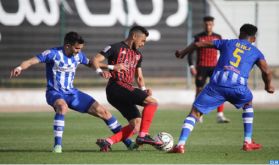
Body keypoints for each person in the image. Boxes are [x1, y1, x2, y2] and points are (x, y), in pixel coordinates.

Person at [10, 31, 136, 153]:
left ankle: (128, 143)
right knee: (62, 107)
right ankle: (57, 146)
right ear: (67, 46)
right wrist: (19, 67)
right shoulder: (53, 53)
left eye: (80, 48)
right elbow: (31, 61)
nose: (79, 51)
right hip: (54, 92)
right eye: (76, 48)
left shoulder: (78, 56)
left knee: (103, 112)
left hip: (72, 93)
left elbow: (91, 63)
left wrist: (110, 68)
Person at [171, 24, 274, 153]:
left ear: (239, 34)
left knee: (195, 113)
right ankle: (247, 141)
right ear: (253, 39)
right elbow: (267, 71)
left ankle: (180, 145)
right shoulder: (256, 52)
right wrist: (268, 85)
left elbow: (198, 44)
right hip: (238, 88)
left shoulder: (227, 43)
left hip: (216, 86)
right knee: (248, 103)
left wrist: (182, 53)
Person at [92, 25, 162, 152]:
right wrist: (111, 67)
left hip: (123, 90)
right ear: (134, 36)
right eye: (142, 41)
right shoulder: (114, 47)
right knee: (152, 102)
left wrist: (144, 89)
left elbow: (139, 77)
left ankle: (108, 142)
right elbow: (95, 60)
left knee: (136, 125)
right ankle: (143, 136)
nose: (143, 44)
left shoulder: (138, 55)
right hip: (116, 86)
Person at [185, 16, 229, 123]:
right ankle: (198, 114)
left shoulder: (218, 37)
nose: (208, 26)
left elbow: (224, 51)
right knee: (199, 91)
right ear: (203, 25)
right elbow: (190, 53)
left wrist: (225, 64)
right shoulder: (198, 37)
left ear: (213, 25)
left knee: (219, 89)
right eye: (206, 24)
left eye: (210, 24)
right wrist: (191, 66)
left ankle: (220, 114)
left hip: (215, 67)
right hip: (201, 67)